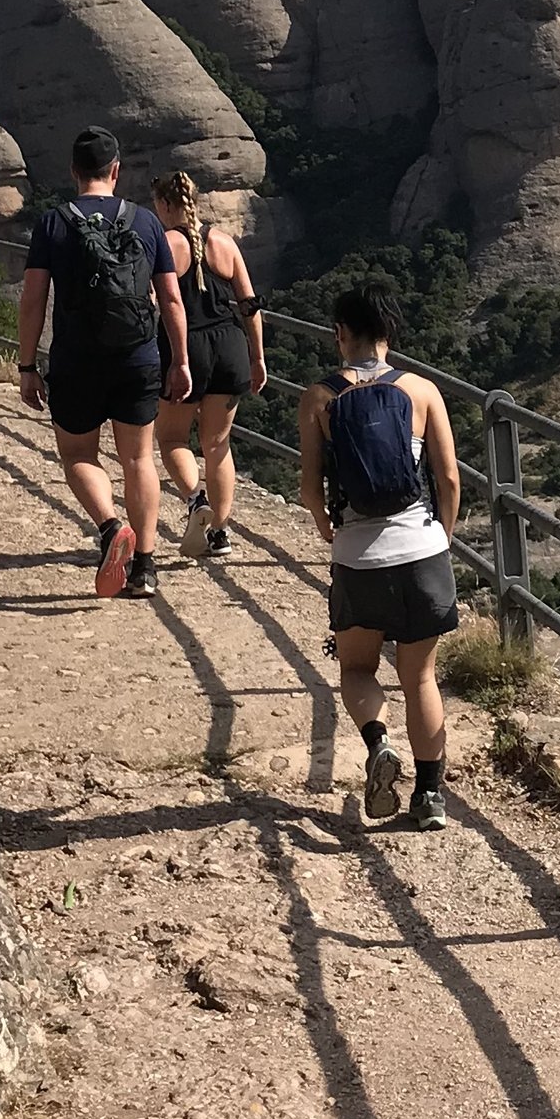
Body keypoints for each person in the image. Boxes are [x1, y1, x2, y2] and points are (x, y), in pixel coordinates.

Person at [298, 283, 460, 832]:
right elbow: (449, 479)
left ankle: (378, 742)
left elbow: (311, 488)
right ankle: (431, 796)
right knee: (421, 678)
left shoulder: (319, 398)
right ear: (390, 333)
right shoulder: (423, 391)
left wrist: (328, 530)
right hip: (422, 551)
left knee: (358, 669)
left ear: (340, 335)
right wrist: (442, 534)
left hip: (358, 557)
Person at [16, 126, 190, 603]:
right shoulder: (146, 223)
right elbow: (172, 299)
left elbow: (32, 300)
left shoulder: (53, 223)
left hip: (75, 361)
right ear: (116, 171)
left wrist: (27, 365)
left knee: (77, 456)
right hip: (138, 356)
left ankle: (112, 528)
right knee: (138, 458)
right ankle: (147, 567)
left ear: (74, 172)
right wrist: (180, 362)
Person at [150, 172, 268, 562]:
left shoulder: (166, 244)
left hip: (188, 347)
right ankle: (219, 532)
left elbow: (155, 300)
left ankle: (195, 498)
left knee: (171, 439)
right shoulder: (225, 243)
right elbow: (250, 307)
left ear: (166, 205)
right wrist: (257, 357)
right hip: (230, 346)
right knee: (218, 445)